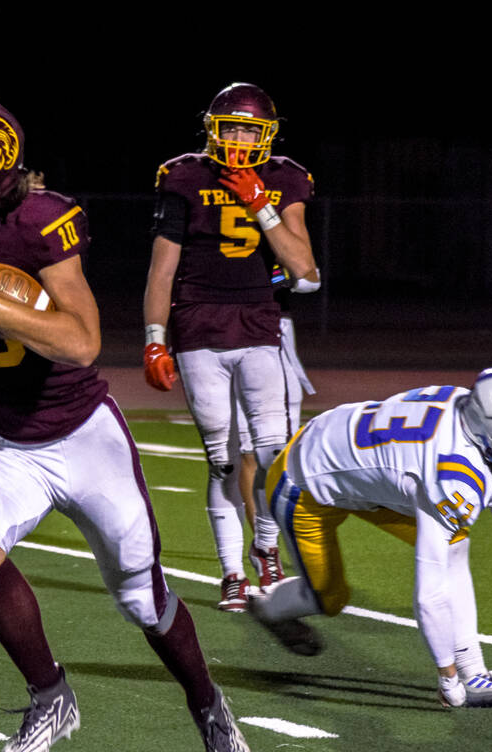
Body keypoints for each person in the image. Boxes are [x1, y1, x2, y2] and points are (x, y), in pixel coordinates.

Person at [0, 93, 253, 752]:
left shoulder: (39, 225)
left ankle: (208, 705)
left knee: (144, 603)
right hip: (0, 439)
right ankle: (50, 695)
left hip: (83, 435)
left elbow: (82, 342)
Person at [248, 367, 492, 710]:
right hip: (304, 482)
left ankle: (474, 673)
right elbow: (428, 596)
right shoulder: (451, 472)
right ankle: (266, 606)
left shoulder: (465, 404)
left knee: (455, 540)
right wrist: (447, 679)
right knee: (330, 597)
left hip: (353, 460)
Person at [142, 82, 319, 611]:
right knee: (221, 462)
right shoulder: (184, 177)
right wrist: (154, 339)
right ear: (213, 130)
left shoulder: (285, 179)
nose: (240, 138)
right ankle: (231, 573)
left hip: (259, 322)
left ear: (267, 135)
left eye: (250, 129)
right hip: (198, 327)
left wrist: (261, 206)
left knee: (271, 455)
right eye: (231, 127)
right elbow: (162, 269)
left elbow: (304, 268)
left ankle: (266, 548)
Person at [235, 271, 319, 551]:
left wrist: (273, 278)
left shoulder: (277, 229)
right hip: (229, 329)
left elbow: (309, 277)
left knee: (283, 453)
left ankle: (281, 542)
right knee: (248, 453)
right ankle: (265, 549)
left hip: (275, 328)